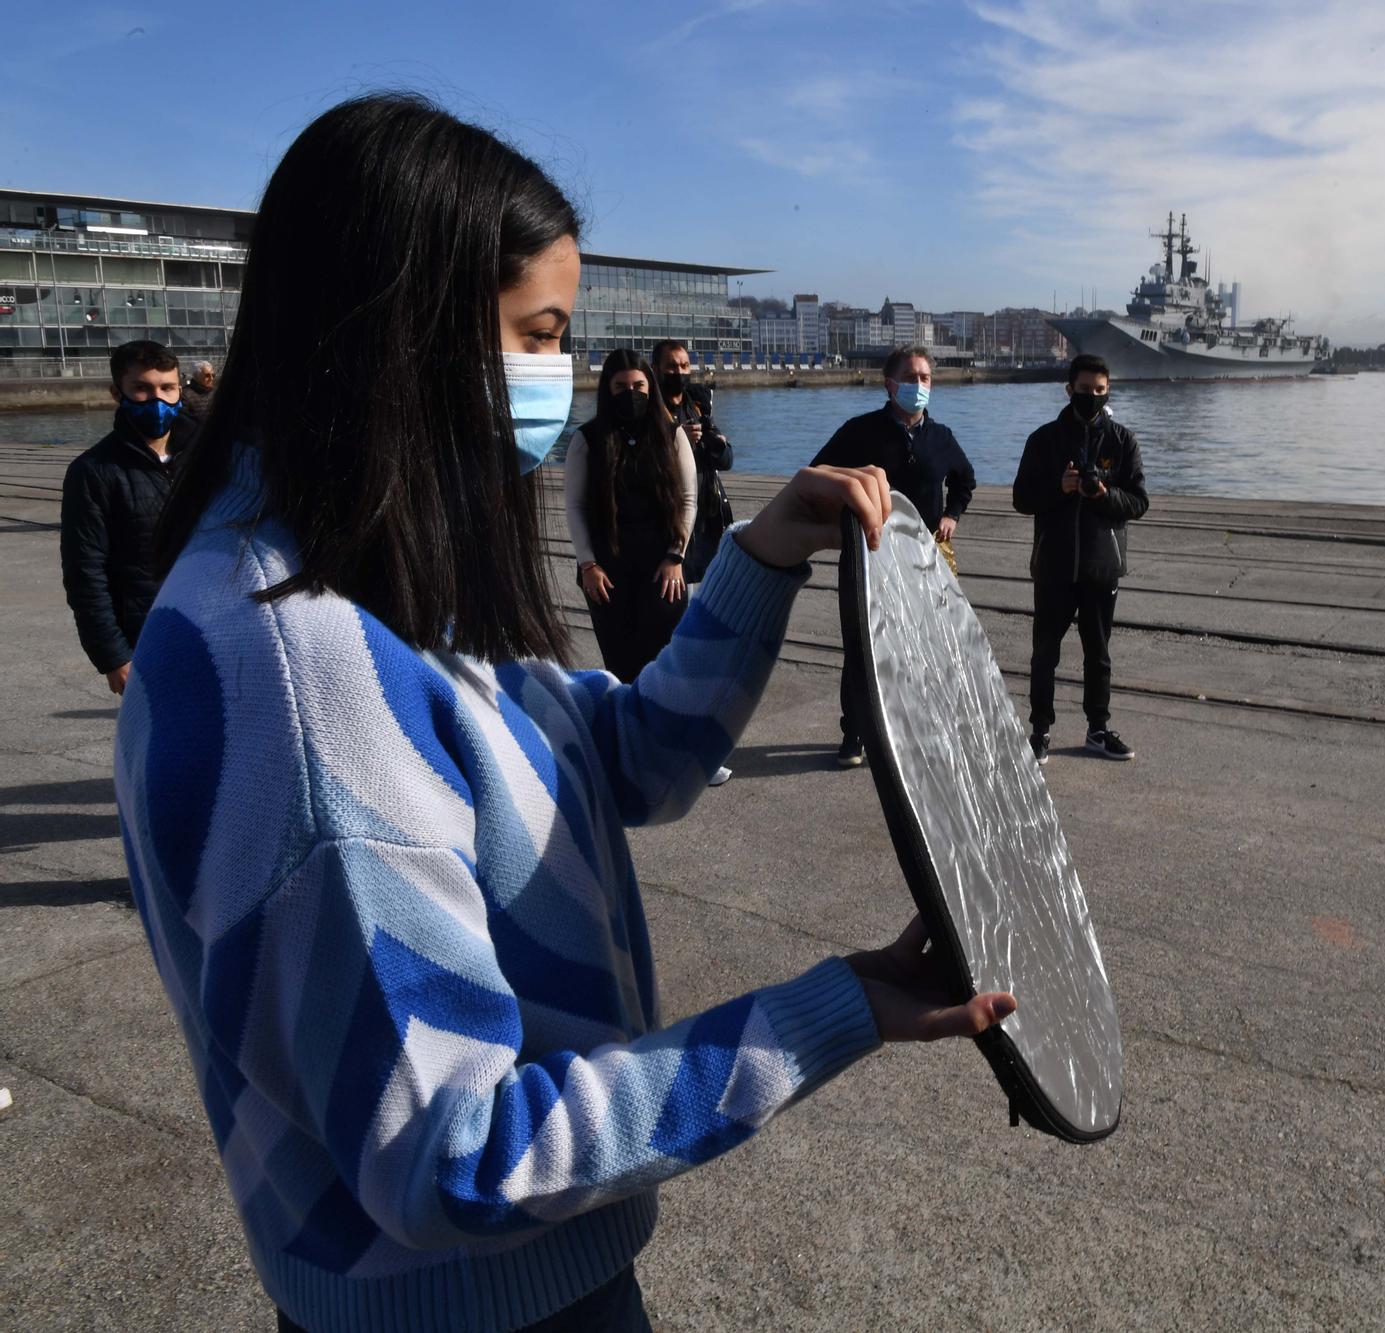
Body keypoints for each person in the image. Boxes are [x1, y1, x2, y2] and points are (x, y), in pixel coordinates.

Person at [118, 94, 1014, 1333]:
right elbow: (456, 1153)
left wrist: (758, 558)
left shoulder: (361, 575)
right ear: (405, 333)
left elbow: (626, 758)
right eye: (538, 335)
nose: (561, 376)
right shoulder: (303, 677)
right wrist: (826, 1013)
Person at [810, 344, 975, 767]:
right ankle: (854, 733)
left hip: (922, 560)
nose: (918, 385)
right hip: (870, 556)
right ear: (890, 384)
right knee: (863, 646)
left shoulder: (942, 438)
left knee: (921, 646)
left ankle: (912, 727)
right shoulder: (860, 431)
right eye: (910, 377)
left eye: (925, 378)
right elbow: (819, 474)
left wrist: (952, 515)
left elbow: (965, 480)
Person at [1011, 352, 1148, 763]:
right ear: (1069, 390)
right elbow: (1021, 498)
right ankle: (1039, 730)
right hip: (1053, 564)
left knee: (1099, 654)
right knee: (1045, 653)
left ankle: (1098, 729)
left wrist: (1104, 494)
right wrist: (1061, 487)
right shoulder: (1043, 440)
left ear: (1108, 392)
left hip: (1101, 566)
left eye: (1100, 392)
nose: (1092, 397)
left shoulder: (1123, 441)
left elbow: (1139, 502)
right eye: (1085, 390)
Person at [59, 339, 195, 696]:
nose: (158, 400)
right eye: (142, 388)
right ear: (116, 392)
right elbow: (85, 572)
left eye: (168, 388)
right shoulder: (92, 471)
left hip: (218, 630)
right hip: (146, 638)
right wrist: (113, 657)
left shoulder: (207, 456)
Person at [564, 348, 698, 684]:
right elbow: (576, 506)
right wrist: (588, 564)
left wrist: (675, 554)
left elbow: (688, 498)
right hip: (608, 569)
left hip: (663, 567)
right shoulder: (587, 440)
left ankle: (663, 729)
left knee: (665, 662)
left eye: (639, 385)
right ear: (607, 391)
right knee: (622, 666)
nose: (631, 394)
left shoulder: (672, 434)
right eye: (621, 387)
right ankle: (627, 728)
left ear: (650, 387)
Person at [650, 339, 735, 586]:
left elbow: (727, 459)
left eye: (685, 366)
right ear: (655, 369)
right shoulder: (649, 412)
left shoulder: (697, 407)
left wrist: (716, 444)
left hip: (708, 520)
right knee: (676, 597)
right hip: (671, 521)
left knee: (709, 592)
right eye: (672, 367)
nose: (679, 372)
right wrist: (677, 441)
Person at [180, 359, 218, 423]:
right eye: (207, 375)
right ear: (196, 376)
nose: (211, 378)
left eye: (213, 375)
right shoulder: (185, 395)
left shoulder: (215, 393)